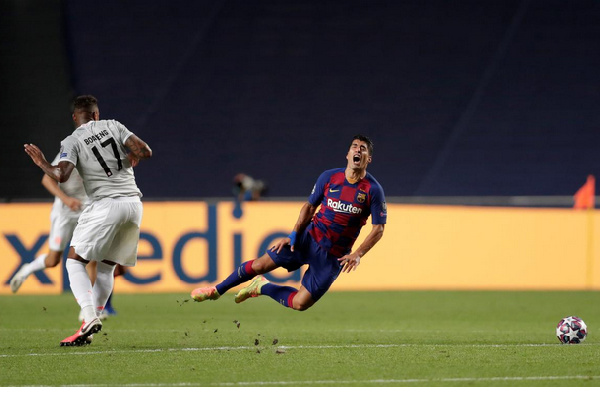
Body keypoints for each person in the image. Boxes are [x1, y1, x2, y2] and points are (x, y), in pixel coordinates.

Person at [191, 134, 386, 311]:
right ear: (347, 154)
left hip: (334, 256)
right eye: (354, 146)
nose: (358, 150)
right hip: (309, 238)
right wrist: (293, 235)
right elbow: (309, 208)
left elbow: (378, 228)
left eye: (363, 148)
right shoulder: (329, 177)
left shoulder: (373, 190)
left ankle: (261, 287)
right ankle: (217, 290)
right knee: (260, 265)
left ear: (368, 159)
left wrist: (358, 254)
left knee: (300, 304)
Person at [23, 95, 152, 346]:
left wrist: (40, 163)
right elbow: (145, 151)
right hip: (134, 205)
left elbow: (62, 175)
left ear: (75, 117)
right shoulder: (113, 125)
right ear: (96, 114)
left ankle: (90, 315)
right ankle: (89, 326)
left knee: (74, 263)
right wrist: (130, 153)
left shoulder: (72, 140)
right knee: (106, 267)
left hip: (105, 205)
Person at [10, 156, 89, 294]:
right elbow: (47, 179)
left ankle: (89, 307)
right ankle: (27, 269)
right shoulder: (69, 152)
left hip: (88, 209)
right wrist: (66, 199)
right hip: (65, 211)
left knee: (90, 256)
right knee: (53, 260)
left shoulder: (100, 150)